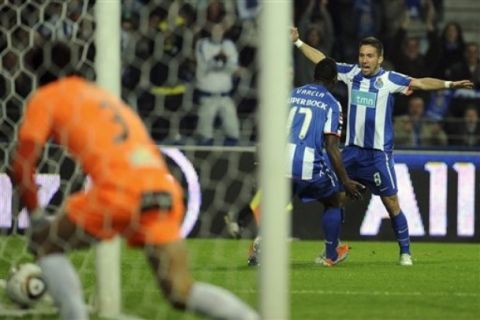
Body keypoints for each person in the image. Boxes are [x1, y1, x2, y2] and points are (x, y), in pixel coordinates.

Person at [9, 42, 258, 320]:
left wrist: (37, 217)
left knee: (47, 244)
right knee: (180, 290)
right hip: (161, 188)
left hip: (117, 190)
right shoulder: (101, 96)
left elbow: (21, 164)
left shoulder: (47, 97)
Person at [291, 27, 474, 266]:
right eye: (361, 55)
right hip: (351, 152)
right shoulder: (351, 73)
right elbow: (323, 60)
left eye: (369, 56)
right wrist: (298, 42)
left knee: (392, 203)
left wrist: (450, 84)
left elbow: (420, 83)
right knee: (335, 198)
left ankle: (405, 253)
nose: (364, 60)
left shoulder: (389, 80)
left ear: (380, 58)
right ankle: (331, 253)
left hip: (378, 155)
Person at [245, 58, 365, 267]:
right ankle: (330, 254)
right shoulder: (332, 103)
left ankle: (260, 247)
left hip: (280, 161)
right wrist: (345, 181)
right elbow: (331, 146)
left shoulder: (291, 95)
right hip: (308, 163)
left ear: (314, 76)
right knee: (335, 200)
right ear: (335, 80)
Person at [194, 22, 240, 145]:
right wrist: (220, 60)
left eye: (220, 30)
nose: (217, 33)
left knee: (233, 131)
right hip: (207, 96)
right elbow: (206, 66)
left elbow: (233, 67)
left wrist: (221, 60)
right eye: (214, 29)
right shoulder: (202, 44)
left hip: (225, 96)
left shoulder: (229, 45)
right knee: (205, 135)